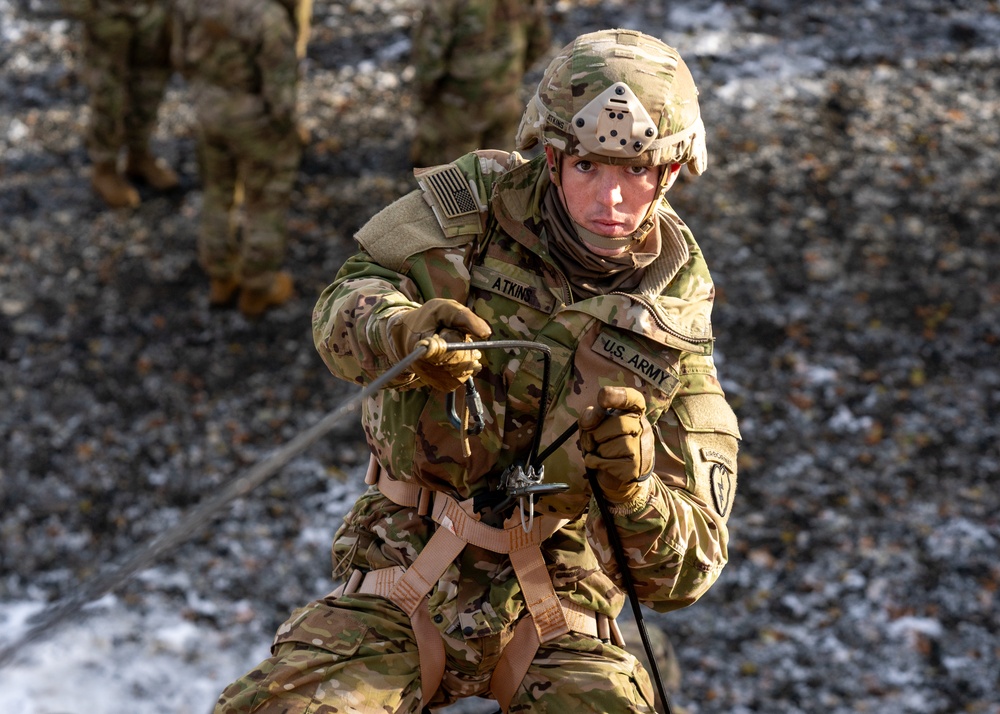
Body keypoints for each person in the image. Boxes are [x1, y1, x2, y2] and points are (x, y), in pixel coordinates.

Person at [215, 29, 741, 712]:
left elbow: (686, 573)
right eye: (589, 167)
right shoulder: (469, 209)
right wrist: (398, 332)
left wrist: (633, 488)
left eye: (636, 171)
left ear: (670, 172)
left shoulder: (674, 325)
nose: (611, 200)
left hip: (557, 604)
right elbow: (343, 303)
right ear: (552, 158)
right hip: (403, 562)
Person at [170, 0, 307, 317]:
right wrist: (285, 131)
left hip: (210, 112)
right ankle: (258, 288)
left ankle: (220, 276)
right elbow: (281, 96)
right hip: (256, 123)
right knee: (264, 202)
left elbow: (180, 58)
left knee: (217, 193)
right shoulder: (268, 17)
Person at [409, 0, 552, 167]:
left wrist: (423, 96)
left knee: (455, 176)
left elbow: (430, 57)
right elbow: (540, 40)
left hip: (458, 107)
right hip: (505, 98)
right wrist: (511, 75)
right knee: (501, 169)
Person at [78, 0, 179, 208]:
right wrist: (84, 9)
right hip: (108, 13)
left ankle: (139, 155)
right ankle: (105, 169)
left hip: (153, 10)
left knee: (150, 84)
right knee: (109, 94)